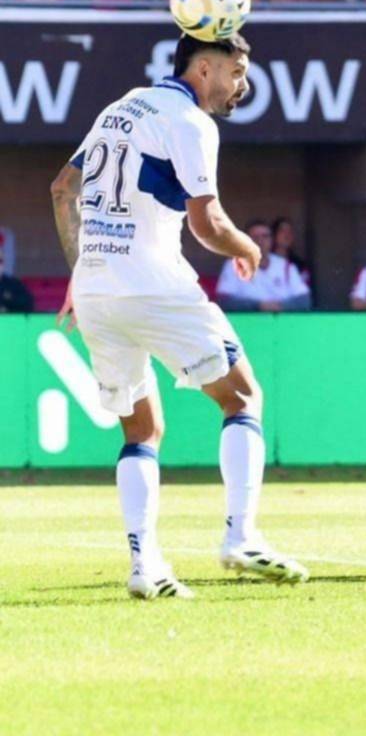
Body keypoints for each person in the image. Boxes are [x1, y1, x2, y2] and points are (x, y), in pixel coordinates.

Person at [48, 33, 308, 600]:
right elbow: (207, 224)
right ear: (205, 68)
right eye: (237, 72)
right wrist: (247, 247)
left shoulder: (122, 106)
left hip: (96, 289)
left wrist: (81, 268)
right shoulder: (191, 122)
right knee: (242, 397)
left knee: (141, 430)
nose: (242, 85)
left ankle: (145, 565)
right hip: (154, 284)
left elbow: (63, 188)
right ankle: (241, 536)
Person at [216, 220, 311, 312]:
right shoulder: (234, 265)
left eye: (265, 236)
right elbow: (224, 301)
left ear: (272, 240)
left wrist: (280, 306)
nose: (260, 241)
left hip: (282, 320)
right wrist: (258, 306)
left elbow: (304, 300)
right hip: (247, 321)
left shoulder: (286, 266)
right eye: (255, 237)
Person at [271, 216, 311, 285]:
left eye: (290, 231)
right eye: (282, 231)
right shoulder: (266, 262)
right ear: (274, 235)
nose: (287, 234)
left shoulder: (299, 265)